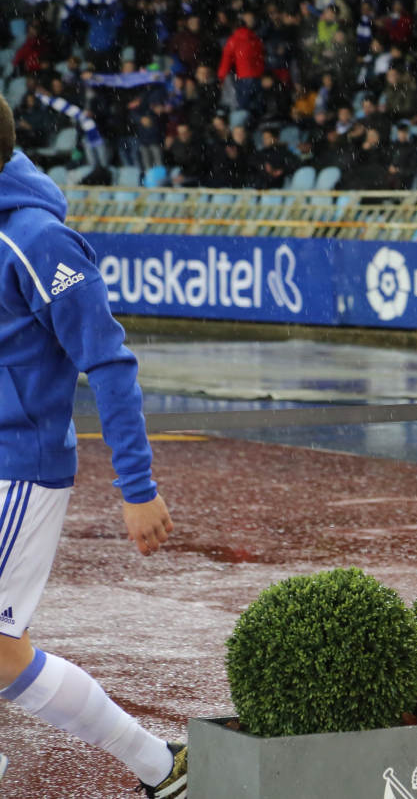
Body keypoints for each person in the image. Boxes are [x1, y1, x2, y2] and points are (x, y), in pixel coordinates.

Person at [0, 95, 188, 797]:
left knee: (1, 652)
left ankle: (158, 765)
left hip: (18, 467)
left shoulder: (38, 240)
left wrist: (137, 488)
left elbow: (107, 362)